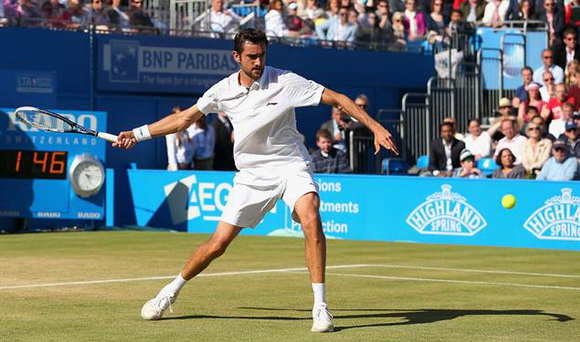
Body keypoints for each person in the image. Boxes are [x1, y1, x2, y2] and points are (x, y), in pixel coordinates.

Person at [112, 28, 398, 333]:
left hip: (291, 165)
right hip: (251, 174)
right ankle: (169, 292)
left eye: (262, 55)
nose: (258, 61)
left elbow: (338, 99)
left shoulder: (286, 82)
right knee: (217, 244)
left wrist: (375, 127)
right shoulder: (221, 90)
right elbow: (184, 119)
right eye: (252, 56)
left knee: (311, 216)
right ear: (237, 57)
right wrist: (138, 133)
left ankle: (320, 307)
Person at [165, 106, 196, 171]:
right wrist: (175, 170)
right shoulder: (171, 133)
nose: (180, 118)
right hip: (177, 167)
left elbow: (190, 150)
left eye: (182, 116)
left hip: (187, 166)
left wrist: (191, 164)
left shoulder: (187, 132)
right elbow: (171, 152)